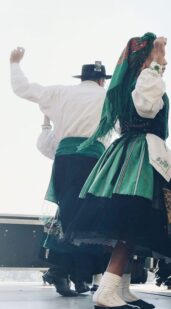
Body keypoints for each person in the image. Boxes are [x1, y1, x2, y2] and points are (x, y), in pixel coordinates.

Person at [65, 33, 171, 309]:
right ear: (145, 58)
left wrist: (155, 66)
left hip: (133, 153)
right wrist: (156, 66)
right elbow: (146, 109)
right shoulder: (147, 78)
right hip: (140, 156)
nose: (164, 60)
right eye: (158, 54)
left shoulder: (136, 81)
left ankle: (120, 287)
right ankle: (107, 289)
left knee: (132, 222)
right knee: (131, 222)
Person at [10, 48, 111, 296]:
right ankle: (66, 271)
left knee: (68, 214)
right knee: (88, 218)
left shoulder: (61, 92)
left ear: (82, 78)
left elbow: (24, 89)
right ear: (101, 80)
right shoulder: (109, 97)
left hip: (65, 159)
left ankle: (68, 272)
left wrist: (15, 64)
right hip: (93, 160)